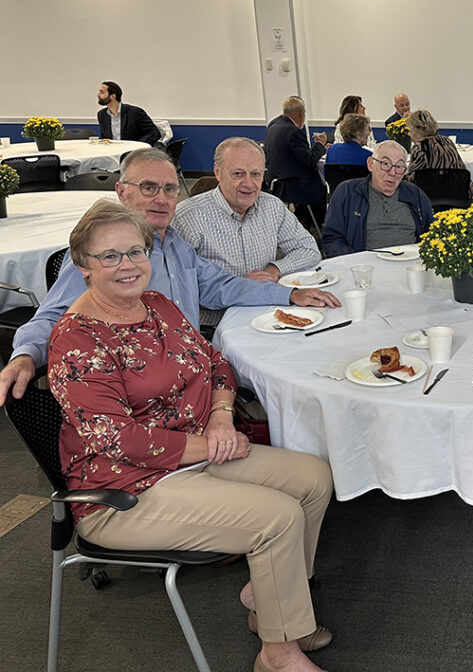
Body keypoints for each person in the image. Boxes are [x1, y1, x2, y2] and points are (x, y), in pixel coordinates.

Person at [48, 200, 335, 672]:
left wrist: (222, 416)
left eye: (136, 252)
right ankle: (278, 655)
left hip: (199, 449)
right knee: (278, 516)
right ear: (83, 266)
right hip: (125, 490)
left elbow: (216, 361)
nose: (128, 266)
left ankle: (272, 601)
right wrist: (215, 444)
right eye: (110, 256)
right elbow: (120, 440)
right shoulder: (77, 341)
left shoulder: (156, 305)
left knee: (313, 477)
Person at [0, 148, 339, 406]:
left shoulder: (175, 245)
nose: (161, 199)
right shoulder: (109, 257)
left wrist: (288, 296)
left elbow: (221, 286)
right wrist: (26, 354)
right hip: (146, 394)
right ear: (122, 191)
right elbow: (55, 316)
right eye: (148, 188)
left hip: (193, 374)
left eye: (170, 189)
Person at [174, 137, 321, 328]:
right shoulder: (187, 217)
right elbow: (180, 288)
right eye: (238, 174)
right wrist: (239, 286)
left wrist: (274, 270)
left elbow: (309, 250)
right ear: (218, 172)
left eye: (256, 174)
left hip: (268, 315)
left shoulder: (272, 206)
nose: (249, 183)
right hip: (213, 326)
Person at [322, 140, 433, 257]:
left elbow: (431, 232)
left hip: (409, 264)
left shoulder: (415, 194)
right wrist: (357, 262)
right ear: (371, 164)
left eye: (399, 166)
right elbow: (332, 239)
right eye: (385, 164)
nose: (392, 172)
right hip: (365, 267)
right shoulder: (347, 192)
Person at [264, 96, 330, 230]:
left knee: (315, 185)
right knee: (324, 189)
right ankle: (303, 224)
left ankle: (298, 221)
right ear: (301, 113)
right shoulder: (293, 132)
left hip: (274, 180)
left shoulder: (273, 125)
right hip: (290, 184)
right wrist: (320, 144)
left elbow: (297, 155)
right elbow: (309, 161)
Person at [404, 110, 472, 198]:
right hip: (457, 196)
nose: (409, 134)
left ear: (418, 131)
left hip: (431, 198)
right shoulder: (447, 141)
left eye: (411, 131)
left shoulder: (420, 148)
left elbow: (412, 179)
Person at [96, 81, 161, 146]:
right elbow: (104, 138)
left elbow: (154, 133)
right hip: (112, 152)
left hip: (133, 153)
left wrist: (138, 146)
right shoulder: (102, 115)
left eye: (102, 92)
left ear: (113, 96)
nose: (98, 95)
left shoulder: (135, 112)